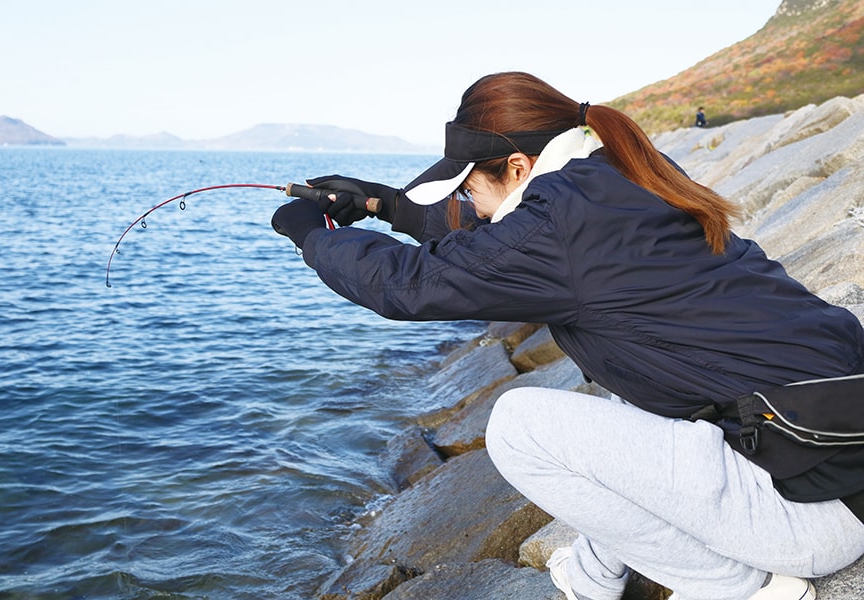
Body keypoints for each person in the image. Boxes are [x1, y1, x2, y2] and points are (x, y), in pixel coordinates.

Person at [270, 71, 864, 600]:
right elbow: (491, 235)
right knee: (632, 383)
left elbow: (409, 283)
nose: (466, 206)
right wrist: (380, 205)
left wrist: (312, 235)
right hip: (829, 452)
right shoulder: (620, 172)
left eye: (466, 188)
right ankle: (596, 576)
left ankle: (743, 589)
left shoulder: (558, 223)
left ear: (520, 168)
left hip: (813, 508)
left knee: (520, 426)